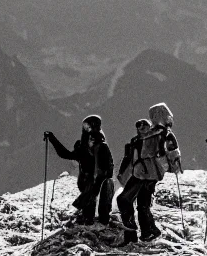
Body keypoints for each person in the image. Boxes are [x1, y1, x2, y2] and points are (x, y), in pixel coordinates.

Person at [115, 104, 182, 246]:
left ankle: (131, 235)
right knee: (142, 204)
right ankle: (148, 231)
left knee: (124, 200)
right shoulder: (163, 134)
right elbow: (172, 153)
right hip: (150, 174)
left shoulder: (157, 134)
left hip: (143, 174)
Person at [44, 115, 114, 226]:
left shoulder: (92, 148)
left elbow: (65, 154)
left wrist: (52, 138)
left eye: (87, 126)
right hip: (92, 183)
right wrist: (52, 138)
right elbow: (109, 168)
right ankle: (94, 223)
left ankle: (91, 222)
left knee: (91, 207)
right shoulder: (92, 147)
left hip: (92, 183)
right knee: (92, 207)